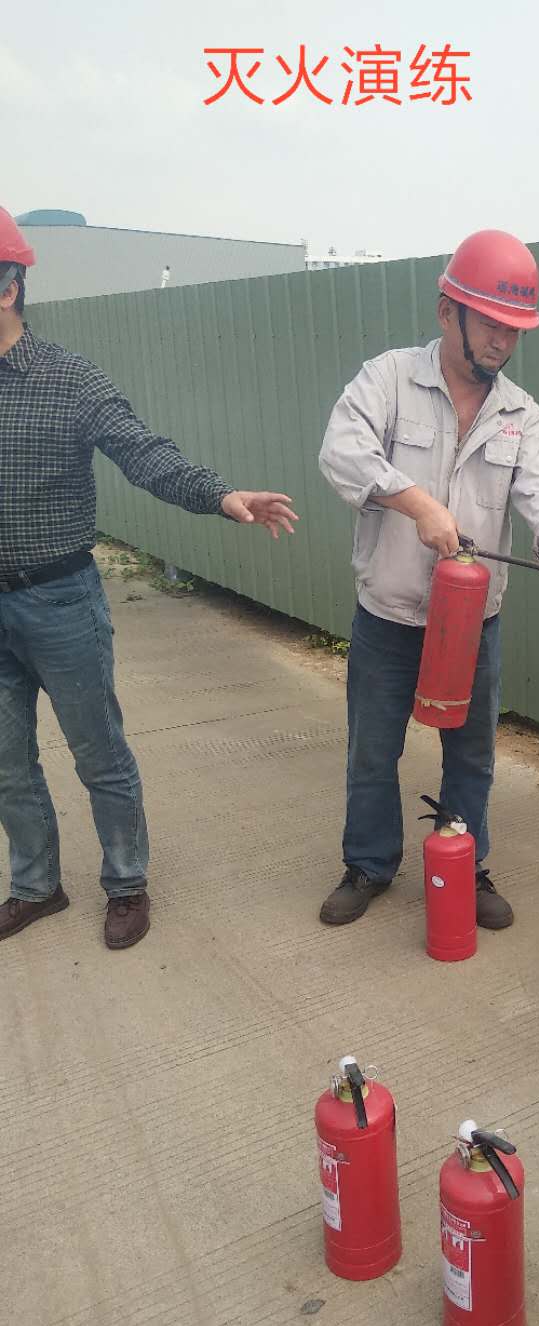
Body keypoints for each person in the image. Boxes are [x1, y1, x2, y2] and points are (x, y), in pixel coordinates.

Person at [0, 207, 299, 949]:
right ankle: (36, 886)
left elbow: (142, 451)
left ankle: (126, 883)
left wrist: (219, 496)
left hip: (60, 602)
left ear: (9, 286)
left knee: (98, 751)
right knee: (6, 762)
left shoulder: (69, 379)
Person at [318, 229, 539, 932]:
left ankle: (465, 863)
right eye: (491, 324)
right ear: (448, 310)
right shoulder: (389, 379)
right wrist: (417, 503)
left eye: (514, 330)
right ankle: (369, 865)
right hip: (390, 616)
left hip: (473, 625)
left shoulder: (520, 413)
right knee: (373, 752)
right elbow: (342, 452)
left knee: (472, 754)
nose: (502, 342)